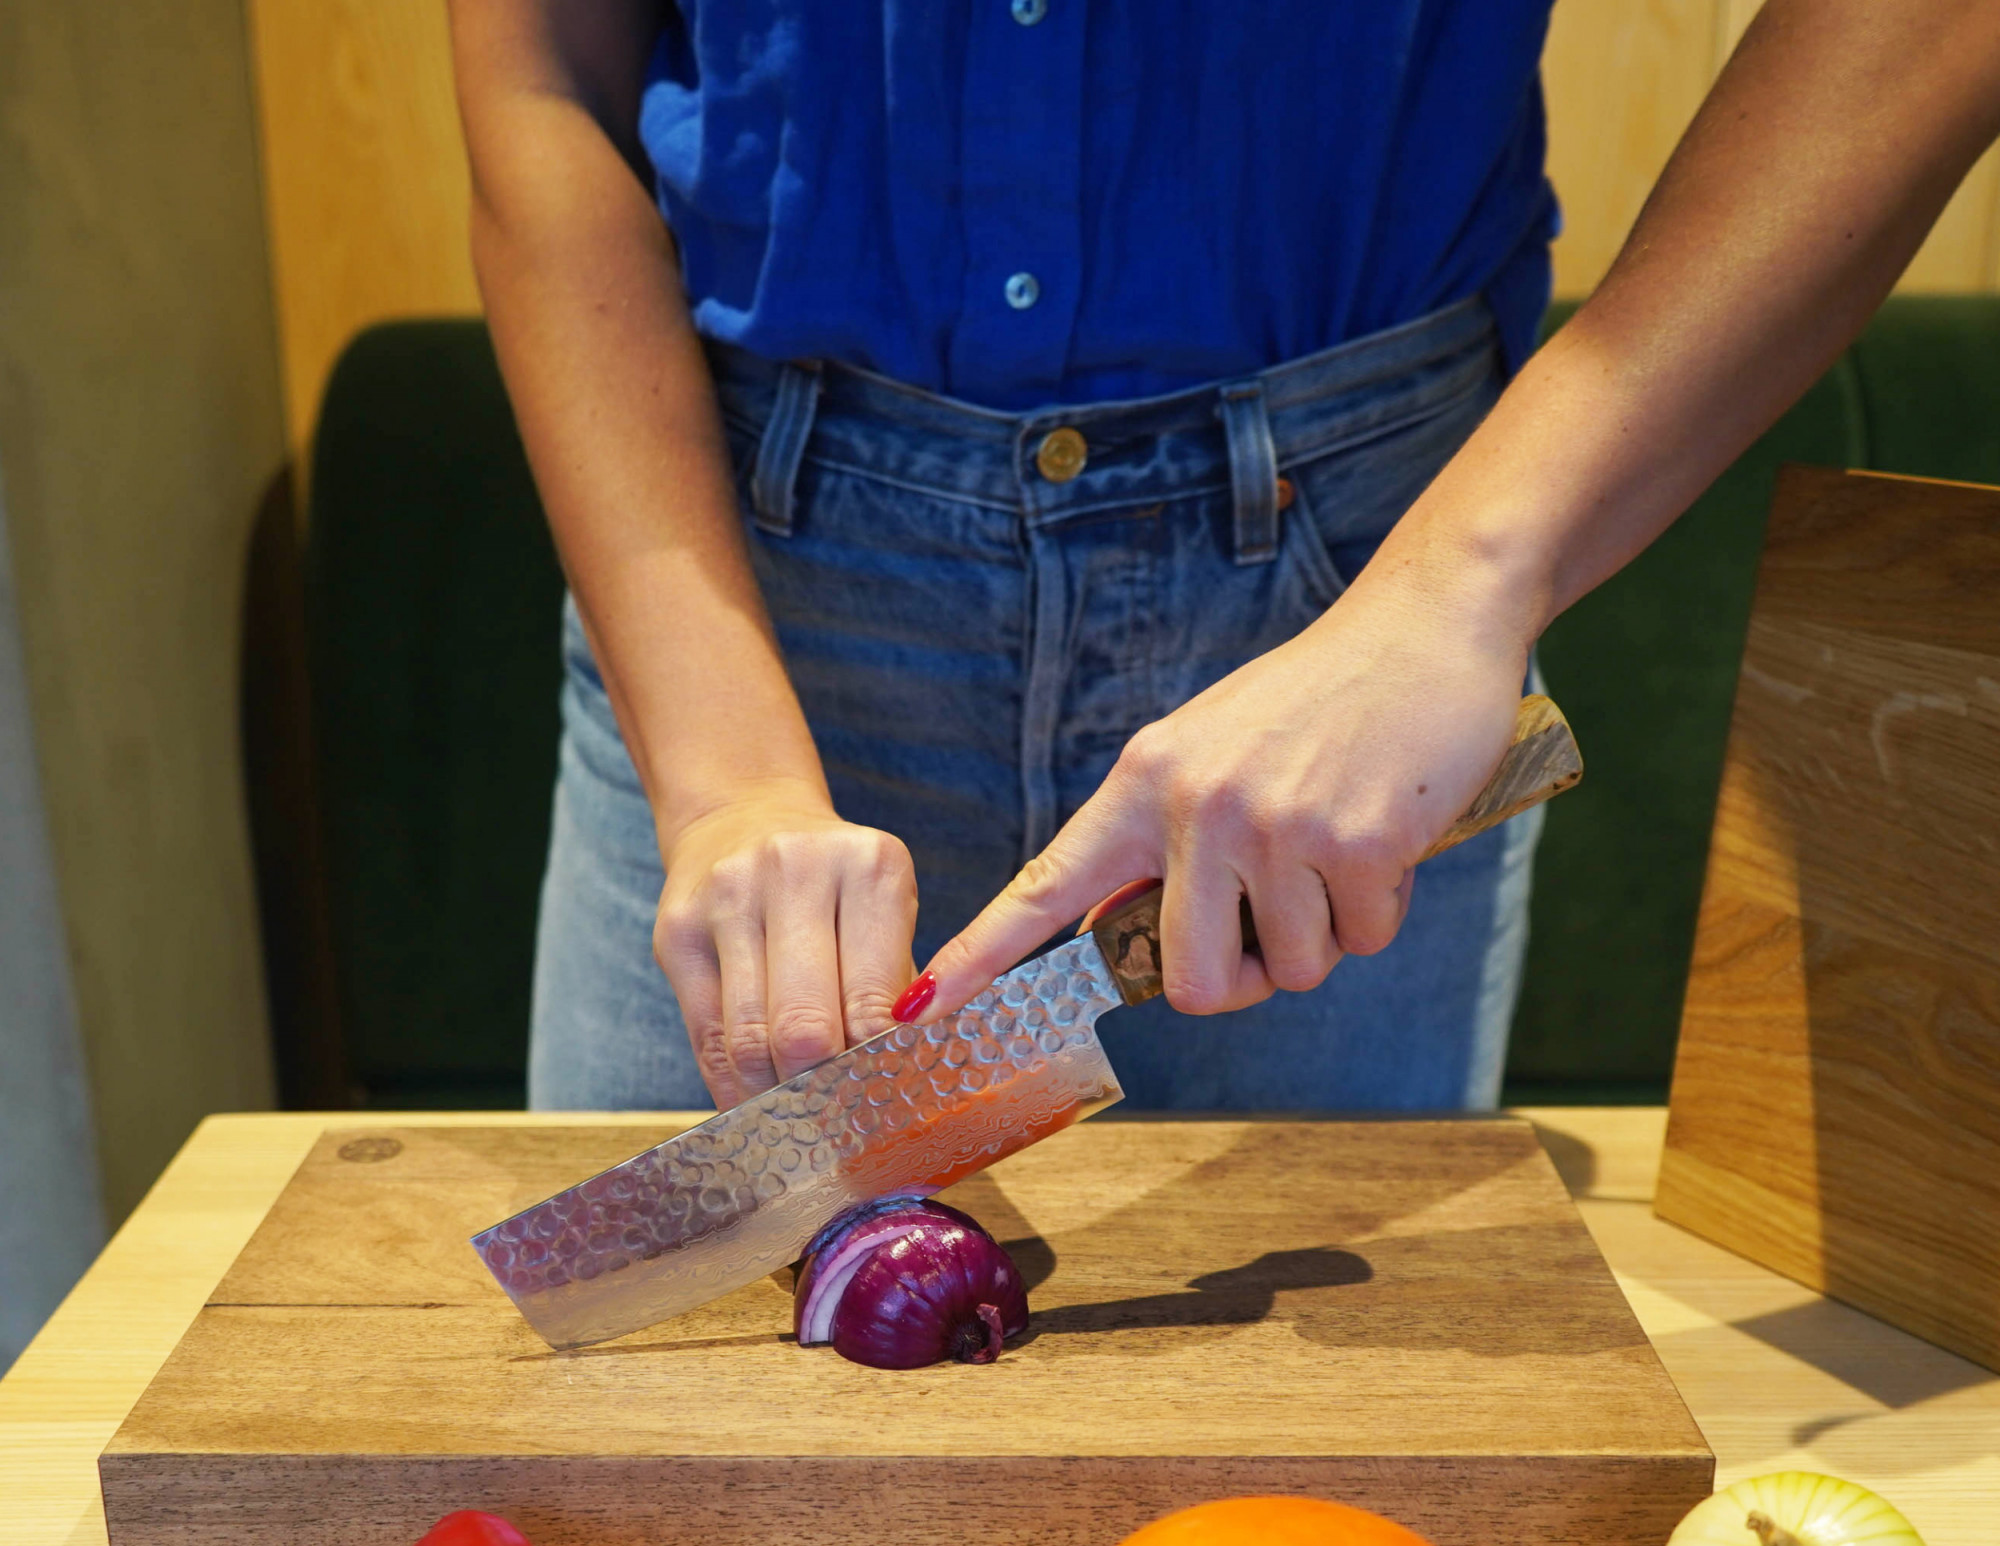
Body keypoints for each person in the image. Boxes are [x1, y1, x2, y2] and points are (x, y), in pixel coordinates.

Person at [449, 0, 2000, 1118]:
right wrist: (723, 781)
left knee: (1317, 1485)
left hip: (1355, 599)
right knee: (654, 1455)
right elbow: (539, 70)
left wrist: (1456, 589)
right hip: (731, 603)